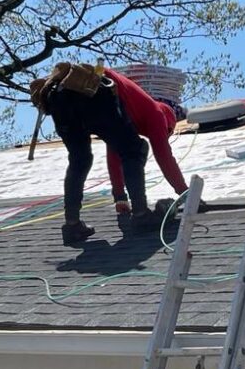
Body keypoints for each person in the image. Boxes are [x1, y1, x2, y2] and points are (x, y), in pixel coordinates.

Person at [30, 63, 157, 246]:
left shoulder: (57, 88)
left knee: (79, 160)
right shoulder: (109, 86)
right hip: (93, 103)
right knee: (134, 150)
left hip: (59, 106)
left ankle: (72, 225)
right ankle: (141, 214)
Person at [104, 68, 189, 215]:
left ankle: (73, 224)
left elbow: (113, 155)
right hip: (104, 84)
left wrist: (119, 197)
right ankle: (140, 213)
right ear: (167, 125)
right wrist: (185, 192)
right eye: (166, 133)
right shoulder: (157, 114)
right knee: (138, 149)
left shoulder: (133, 117)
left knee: (125, 147)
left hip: (90, 91)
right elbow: (164, 156)